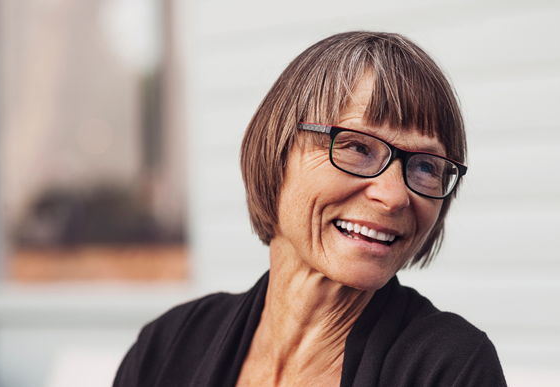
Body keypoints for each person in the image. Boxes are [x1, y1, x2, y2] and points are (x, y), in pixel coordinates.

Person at [113, 31, 507, 387]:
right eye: (356, 147)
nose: (393, 196)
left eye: (425, 166)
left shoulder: (450, 369)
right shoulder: (169, 345)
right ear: (276, 151)